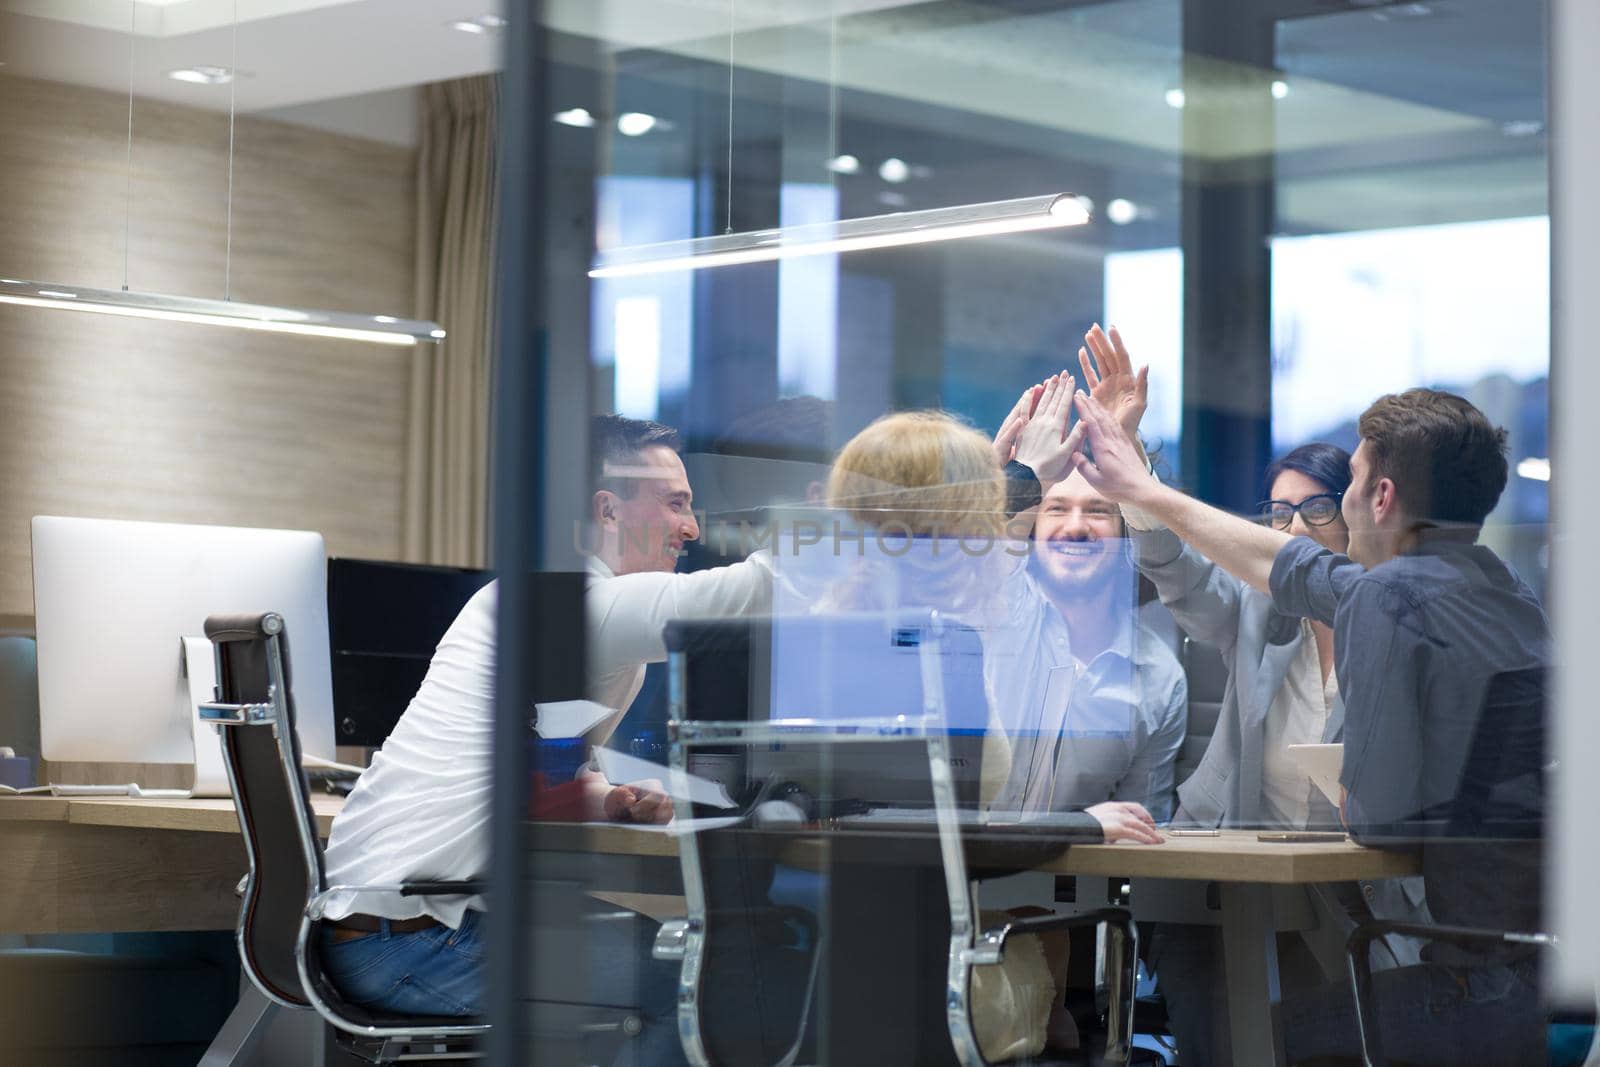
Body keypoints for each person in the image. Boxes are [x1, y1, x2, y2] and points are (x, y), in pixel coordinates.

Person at [1066, 377, 1551, 1066]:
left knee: (1250, 1044)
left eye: (1348, 483)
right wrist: (1143, 488)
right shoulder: (1509, 596)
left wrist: (1365, 785)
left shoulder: (1387, 596)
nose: (1334, 508)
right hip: (1534, 985)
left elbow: (1376, 819)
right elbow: (1291, 568)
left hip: (1458, 986)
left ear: (1379, 497)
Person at [317, 415, 775, 1053]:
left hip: (389, 929)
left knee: (705, 960)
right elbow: (740, 597)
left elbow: (531, 772)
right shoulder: (562, 606)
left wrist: (602, 797)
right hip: (413, 939)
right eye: (676, 505)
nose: (692, 528)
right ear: (608, 511)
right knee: (709, 982)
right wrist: (851, 535)